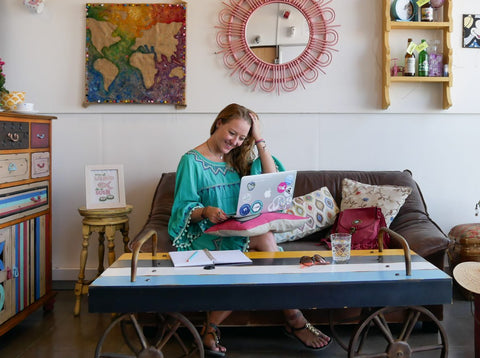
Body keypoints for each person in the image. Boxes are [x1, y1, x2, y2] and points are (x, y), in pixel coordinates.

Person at [168, 103, 331, 356]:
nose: (234, 141)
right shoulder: (191, 161)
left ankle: (210, 329)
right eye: (232, 133)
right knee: (265, 243)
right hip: (206, 234)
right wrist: (206, 211)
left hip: (239, 230)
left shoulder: (238, 159)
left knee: (265, 240)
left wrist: (259, 139)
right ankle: (293, 317)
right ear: (219, 122)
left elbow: (273, 179)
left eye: (242, 137)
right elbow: (183, 207)